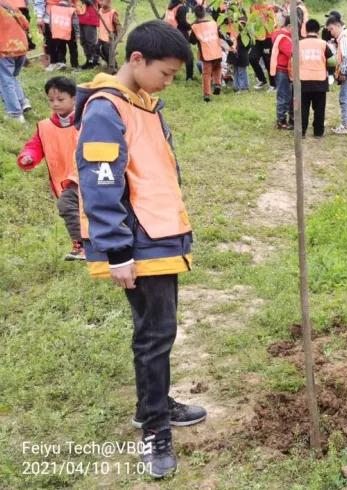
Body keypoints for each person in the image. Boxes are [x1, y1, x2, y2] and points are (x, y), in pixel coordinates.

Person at [74, 20, 206, 479]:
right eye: (166, 73)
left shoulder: (144, 104)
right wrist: (116, 252)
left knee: (156, 333)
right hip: (140, 244)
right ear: (136, 60)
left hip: (160, 236)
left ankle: (154, 403)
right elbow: (101, 184)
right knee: (154, 338)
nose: (168, 82)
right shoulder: (106, 110)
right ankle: (155, 431)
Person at [17, 77, 83, 260]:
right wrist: (27, 157)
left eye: (60, 99)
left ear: (74, 98)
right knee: (78, 211)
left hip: (86, 176)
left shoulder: (88, 119)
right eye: (51, 100)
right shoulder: (45, 127)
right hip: (63, 180)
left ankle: (82, 246)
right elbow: (35, 146)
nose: (55, 104)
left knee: (68, 206)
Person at [326, 15, 347, 134]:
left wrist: (343, 72)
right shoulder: (344, 37)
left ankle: (345, 125)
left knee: (344, 99)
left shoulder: (344, 38)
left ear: (338, 26)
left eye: (331, 29)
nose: (330, 33)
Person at [297, 18, 331, 137]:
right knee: (320, 109)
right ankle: (318, 132)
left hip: (302, 80)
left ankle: (301, 131)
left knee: (303, 109)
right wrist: (330, 74)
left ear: (305, 30)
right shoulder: (323, 44)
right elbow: (331, 61)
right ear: (318, 30)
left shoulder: (299, 44)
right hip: (320, 80)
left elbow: (293, 61)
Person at [0, 0, 30, 122]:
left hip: (5, 48)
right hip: (21, 46)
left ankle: (15, 114)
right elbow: (26, 24)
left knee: (5, 81)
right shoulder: (8, 5)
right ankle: (23, 102)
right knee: (11, 77)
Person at [189, 4, 222, 101]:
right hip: (216, 50)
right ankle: (217, 84)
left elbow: (192, 41)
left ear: (195, 14)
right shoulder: (213, 23)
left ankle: (207, 94)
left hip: (206, 52)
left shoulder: (195, 26)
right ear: (205, 13)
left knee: (206, 74)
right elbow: (221, 34)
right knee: (217, 69)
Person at [269, 14, 294, 128]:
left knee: (288, 95)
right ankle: (281, 120)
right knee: (284, 95)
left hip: (286, 70)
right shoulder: (283, 37)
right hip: (282, 70)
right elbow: (292, 52)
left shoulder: (285, 36)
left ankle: (287, 118)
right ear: (289, 25)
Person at [164, 0, 194, 80]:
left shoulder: (170, 6)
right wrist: (191, 26)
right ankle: (189, 77)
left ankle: (170, 75)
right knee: (189, 56)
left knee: (173, 55)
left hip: (169, 32)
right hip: (181, 33)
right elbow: (182, 23)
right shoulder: (182, 8)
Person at [248, 0, 275, 89]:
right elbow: (251, 21)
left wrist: (265, 26)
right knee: (252, 58)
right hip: (256, 38)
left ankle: (273, 84)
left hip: (267, 38)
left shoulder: (268, 7)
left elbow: (274, 23)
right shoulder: (253, 6)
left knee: (268, 61)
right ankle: (262, 80)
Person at [46, 0, 79, 69]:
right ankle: (74, 65)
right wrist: (77, 33)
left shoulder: (54, 8)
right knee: (73, 49)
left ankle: (61, 62)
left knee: (61, 48)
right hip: (70, 33)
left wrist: (53, 30)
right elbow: (75, 22)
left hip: (59, 32)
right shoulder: (71, 9)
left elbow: (51, 22)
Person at [77, 0, 100, 68]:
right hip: (80, 16)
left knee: (91, 41)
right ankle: (89, 60)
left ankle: (95, 61)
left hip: (90, 17)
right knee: (83, 41)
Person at [96, 0, 119, 66]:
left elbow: (118, 24)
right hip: (101, 36)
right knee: (97, 49)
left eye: (103, 1)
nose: (101, 2)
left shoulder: (112, 13)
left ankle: (114, 66)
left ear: (109, 2)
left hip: (109, 37)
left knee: (107, 52)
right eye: (101, 1)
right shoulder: (100, 10)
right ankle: (108, 62)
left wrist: (118, 37)